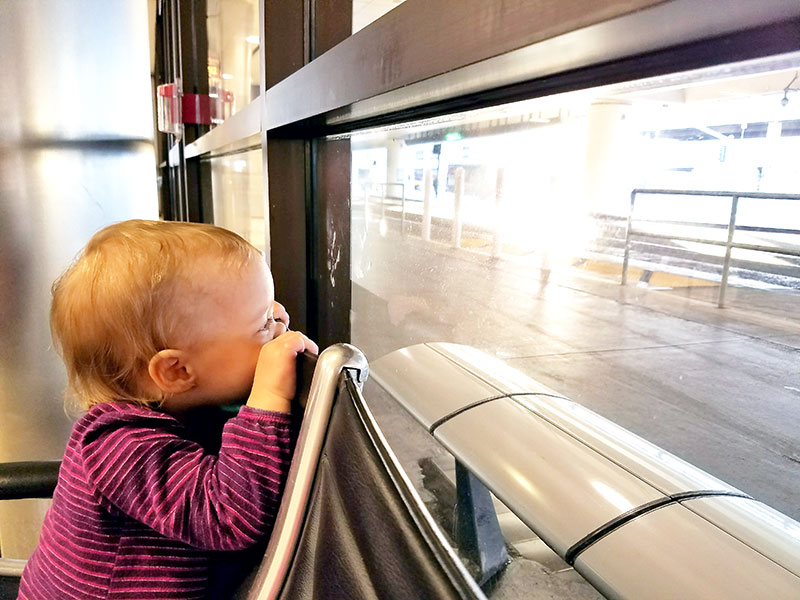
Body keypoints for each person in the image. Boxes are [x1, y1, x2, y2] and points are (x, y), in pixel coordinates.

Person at [18, 220, 318, 600]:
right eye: (263, 322)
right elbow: (229, 516)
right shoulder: (119, 445)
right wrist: (270, 392)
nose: (281, 322)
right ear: (177, 371)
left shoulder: (182, 409)